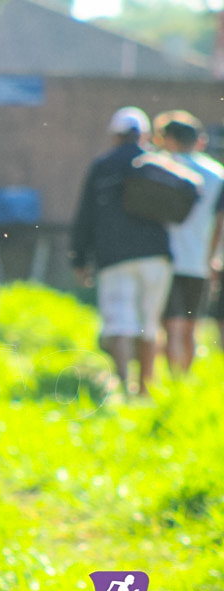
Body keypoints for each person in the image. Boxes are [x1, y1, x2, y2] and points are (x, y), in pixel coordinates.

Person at [70, 106, 173, 397]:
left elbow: (85, 215)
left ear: (114, 136)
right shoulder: (158, 163)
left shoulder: (102, 166)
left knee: (120, 323)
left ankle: (125, 389)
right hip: (156, 256)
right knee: (149, 324)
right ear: (144, 134)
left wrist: (79, 258)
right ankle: (145, 390)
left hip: (114, 258)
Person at [151, 111, 224, 374]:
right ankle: (185, 382)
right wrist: (212, 258)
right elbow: (220, 222)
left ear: (167, 138)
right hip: (199, 260)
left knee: (169, 326)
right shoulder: (216, 173)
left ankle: (171, 379)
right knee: (191, 328)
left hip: (163, 258)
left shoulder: (158, 166)